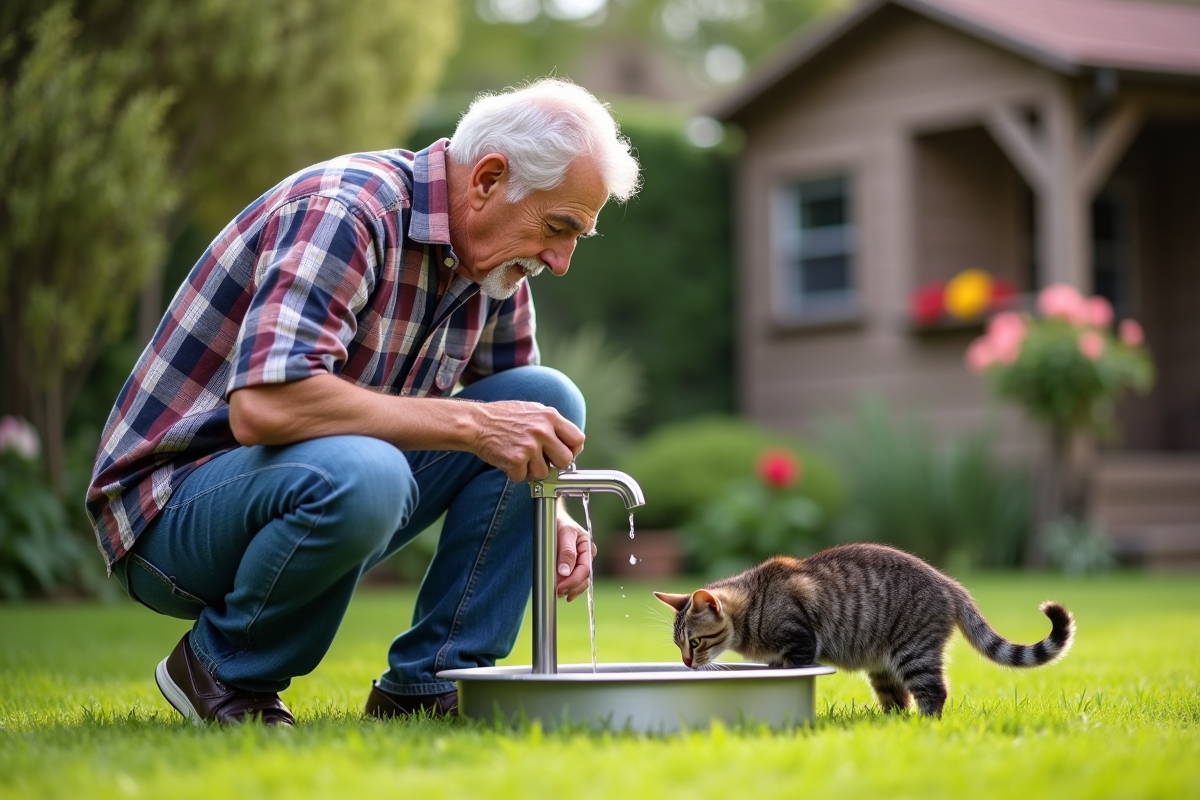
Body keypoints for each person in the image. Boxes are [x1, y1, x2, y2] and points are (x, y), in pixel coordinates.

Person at [85, 78, 641, 726]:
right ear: (488, 180)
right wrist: (471, 422)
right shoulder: (348, 211)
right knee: (369, 470)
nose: (562, 260)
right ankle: (223, 671)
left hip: (325, 485)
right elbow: (264, 407)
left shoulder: (495, 267)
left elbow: (520, 422)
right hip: (169, 512)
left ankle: (431, 684)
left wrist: (554, 512)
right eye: (557, 227)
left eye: (577, 236)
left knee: (547, 399)